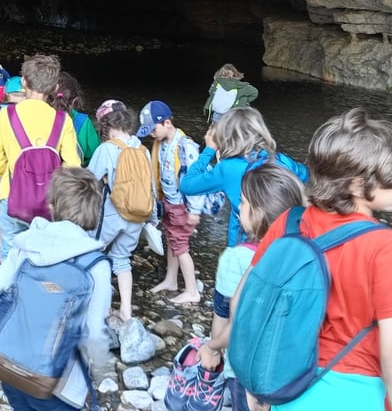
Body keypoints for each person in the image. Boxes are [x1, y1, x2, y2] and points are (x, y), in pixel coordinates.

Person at [242, 108, 392, 411]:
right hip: (359, 402)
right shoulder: (382, 247)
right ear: (357, 184)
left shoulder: (289, 223)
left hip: (290, 385)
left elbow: (247, 303)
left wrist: (256, 381)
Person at [0, 167, 112, 411]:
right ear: (94, 213)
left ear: (52, 205)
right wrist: (101, 373)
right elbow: (93, 334)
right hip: (60, 382)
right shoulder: (95, 265)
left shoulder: (27, 244)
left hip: (9, 366)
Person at [198, 163, 306, 411]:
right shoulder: (307, 255)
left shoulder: (235, 259)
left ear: (257, 212)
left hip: (247, 376)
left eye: (243, 203)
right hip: (295, 375)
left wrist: (212, 349)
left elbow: (225, 317)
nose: (239, 207)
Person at [0, 54, 81, 260]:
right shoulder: (62, 120)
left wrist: (16, 175)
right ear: (55, 87)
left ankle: (12, 289)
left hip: (12, 197)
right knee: (44, 255)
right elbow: (73, 165)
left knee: (11, 254)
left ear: (23, 82)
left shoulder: (6, 115)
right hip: (49, 202)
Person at [180, 107, 308, 246]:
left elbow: (187, 185)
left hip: (244, 243)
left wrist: (209, 150)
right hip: (283, 237)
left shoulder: (227, 168)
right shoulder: (280, 159)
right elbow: (307, 175)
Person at [136, 100, 206, 305]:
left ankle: (192, 290)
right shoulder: (161, 143)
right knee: (171, 240)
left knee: (181, 246)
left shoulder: (186, 146)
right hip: (168, 202)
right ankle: (171, 280)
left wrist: (194, 210)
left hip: (182, 206)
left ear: (167, 123)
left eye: (153, 129)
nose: (151, 134)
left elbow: (197, 180)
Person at [87, 104, 147, 321]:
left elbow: (90, 178)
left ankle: (96, 304)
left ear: (108, 126)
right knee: (122, 260)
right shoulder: (143, 149)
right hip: (138, 215)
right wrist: (153, 220)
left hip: (113, 213)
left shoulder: (107, 149)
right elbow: (149, 186)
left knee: (93, 253)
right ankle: (126, 310)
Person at [51, 71, 100, 165]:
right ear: (75, 100)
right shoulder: (84, 122)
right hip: (74, 175)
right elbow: (95, 155)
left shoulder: (43, 117)